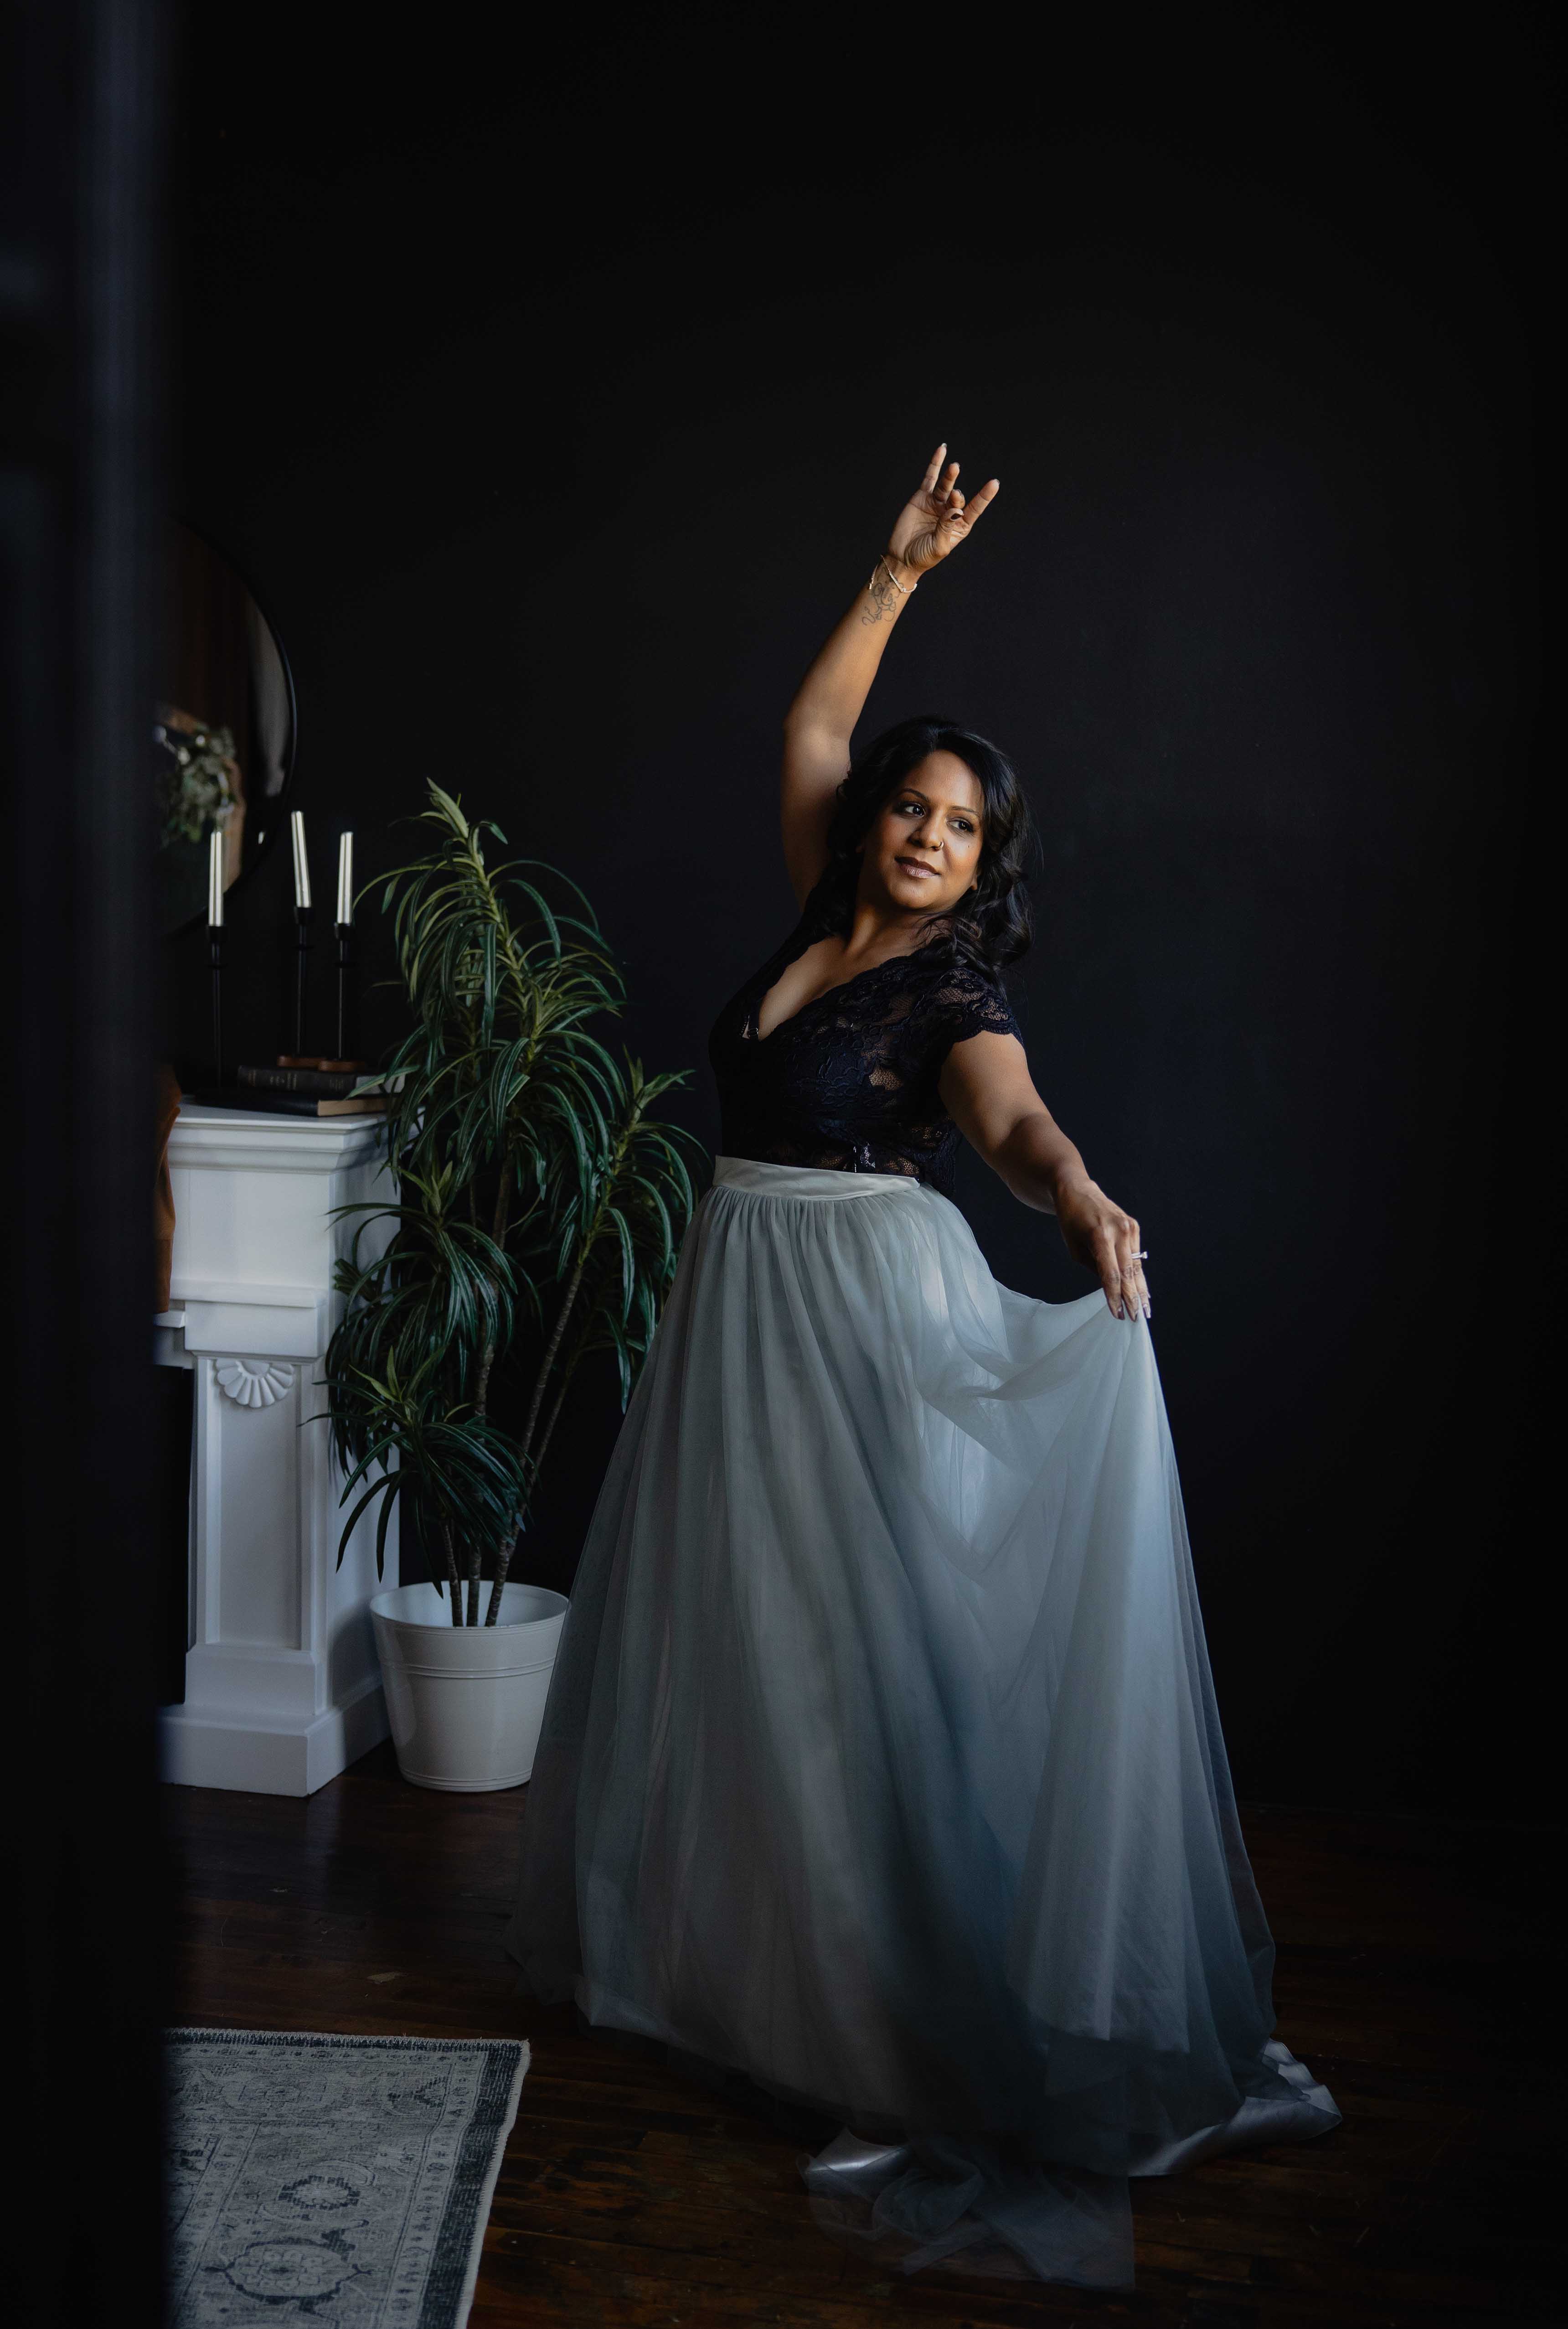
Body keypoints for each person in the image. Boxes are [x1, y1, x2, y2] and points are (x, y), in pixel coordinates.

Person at [506, 446, 1339, 2288]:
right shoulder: (819, 910)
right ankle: (762, 1982)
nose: (922, 834)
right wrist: (892, 571)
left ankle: (892, 2032)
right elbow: (815, 721)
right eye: (912, 805)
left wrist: (1077, 1192)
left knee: (858, 1665)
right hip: (742, 1297)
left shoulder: (952, 990)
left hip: (861, 1315)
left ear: (981, 865)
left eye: (960, 825)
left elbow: (1018, 1121)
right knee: (755, 1644)